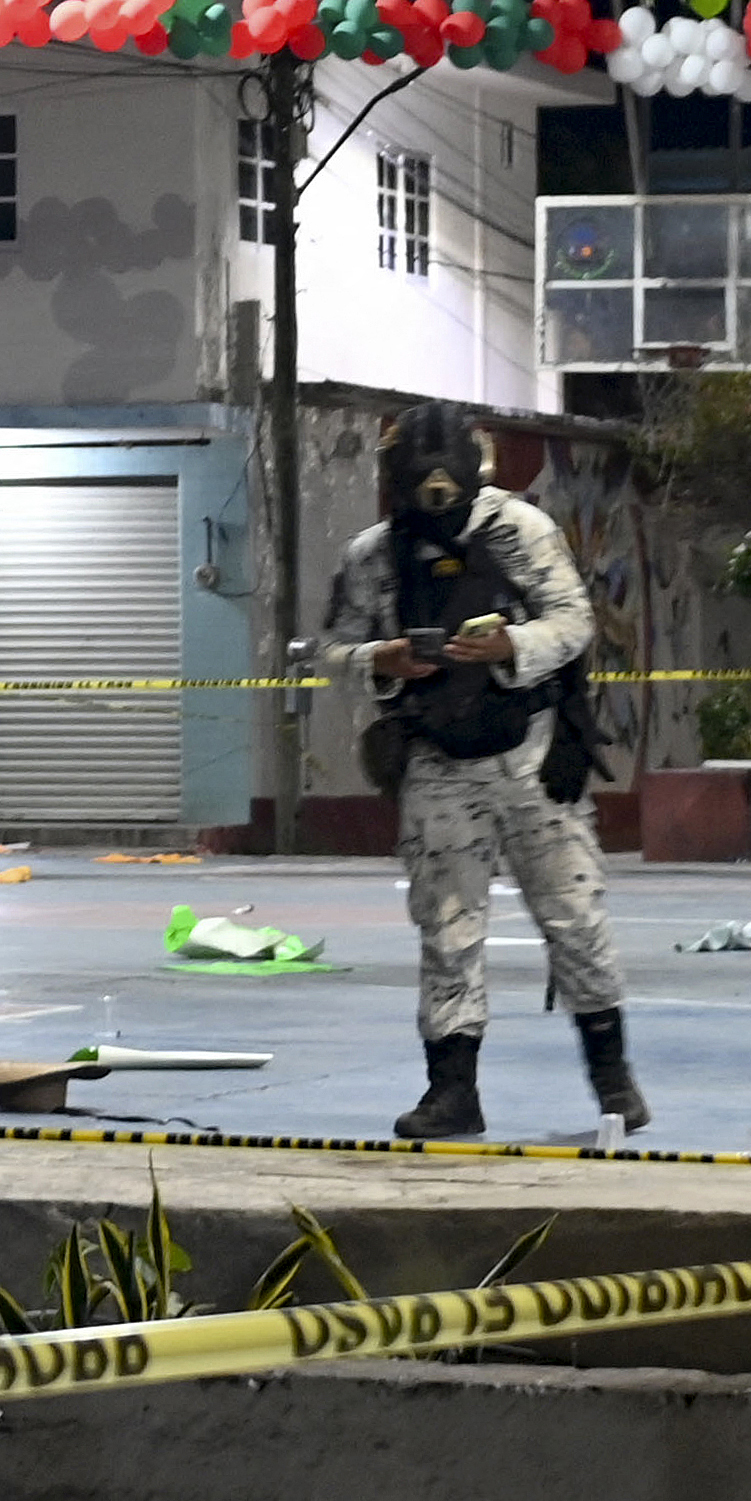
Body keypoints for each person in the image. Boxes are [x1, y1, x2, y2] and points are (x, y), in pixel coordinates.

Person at [318, 400, 639, 1141]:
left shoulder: (520, 530)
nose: (436, 504)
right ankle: (451, 1091)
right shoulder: (371, 555)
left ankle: (613, 1079)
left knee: (577, 921)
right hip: (436, 761)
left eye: (448, 489)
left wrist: (510, 647)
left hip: (530, 754)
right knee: (447, 931)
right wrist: (379, 659)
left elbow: (572, 621)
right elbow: (331, 648)